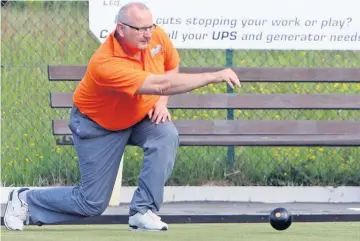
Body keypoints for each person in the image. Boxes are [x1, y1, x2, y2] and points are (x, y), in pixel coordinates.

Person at [4, 2, 240, 232]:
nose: (148, 34)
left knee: (165, 135)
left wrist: (161, 102)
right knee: (92, 202)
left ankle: (142, 211)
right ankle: (25, 200)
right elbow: (161, 84)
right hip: (98, 126)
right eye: (141, 29)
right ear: (121, 29)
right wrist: (213, 75)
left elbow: (170, 67)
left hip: (138, 116)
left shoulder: (157, 36)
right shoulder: (106, 63)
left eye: (151, 27)